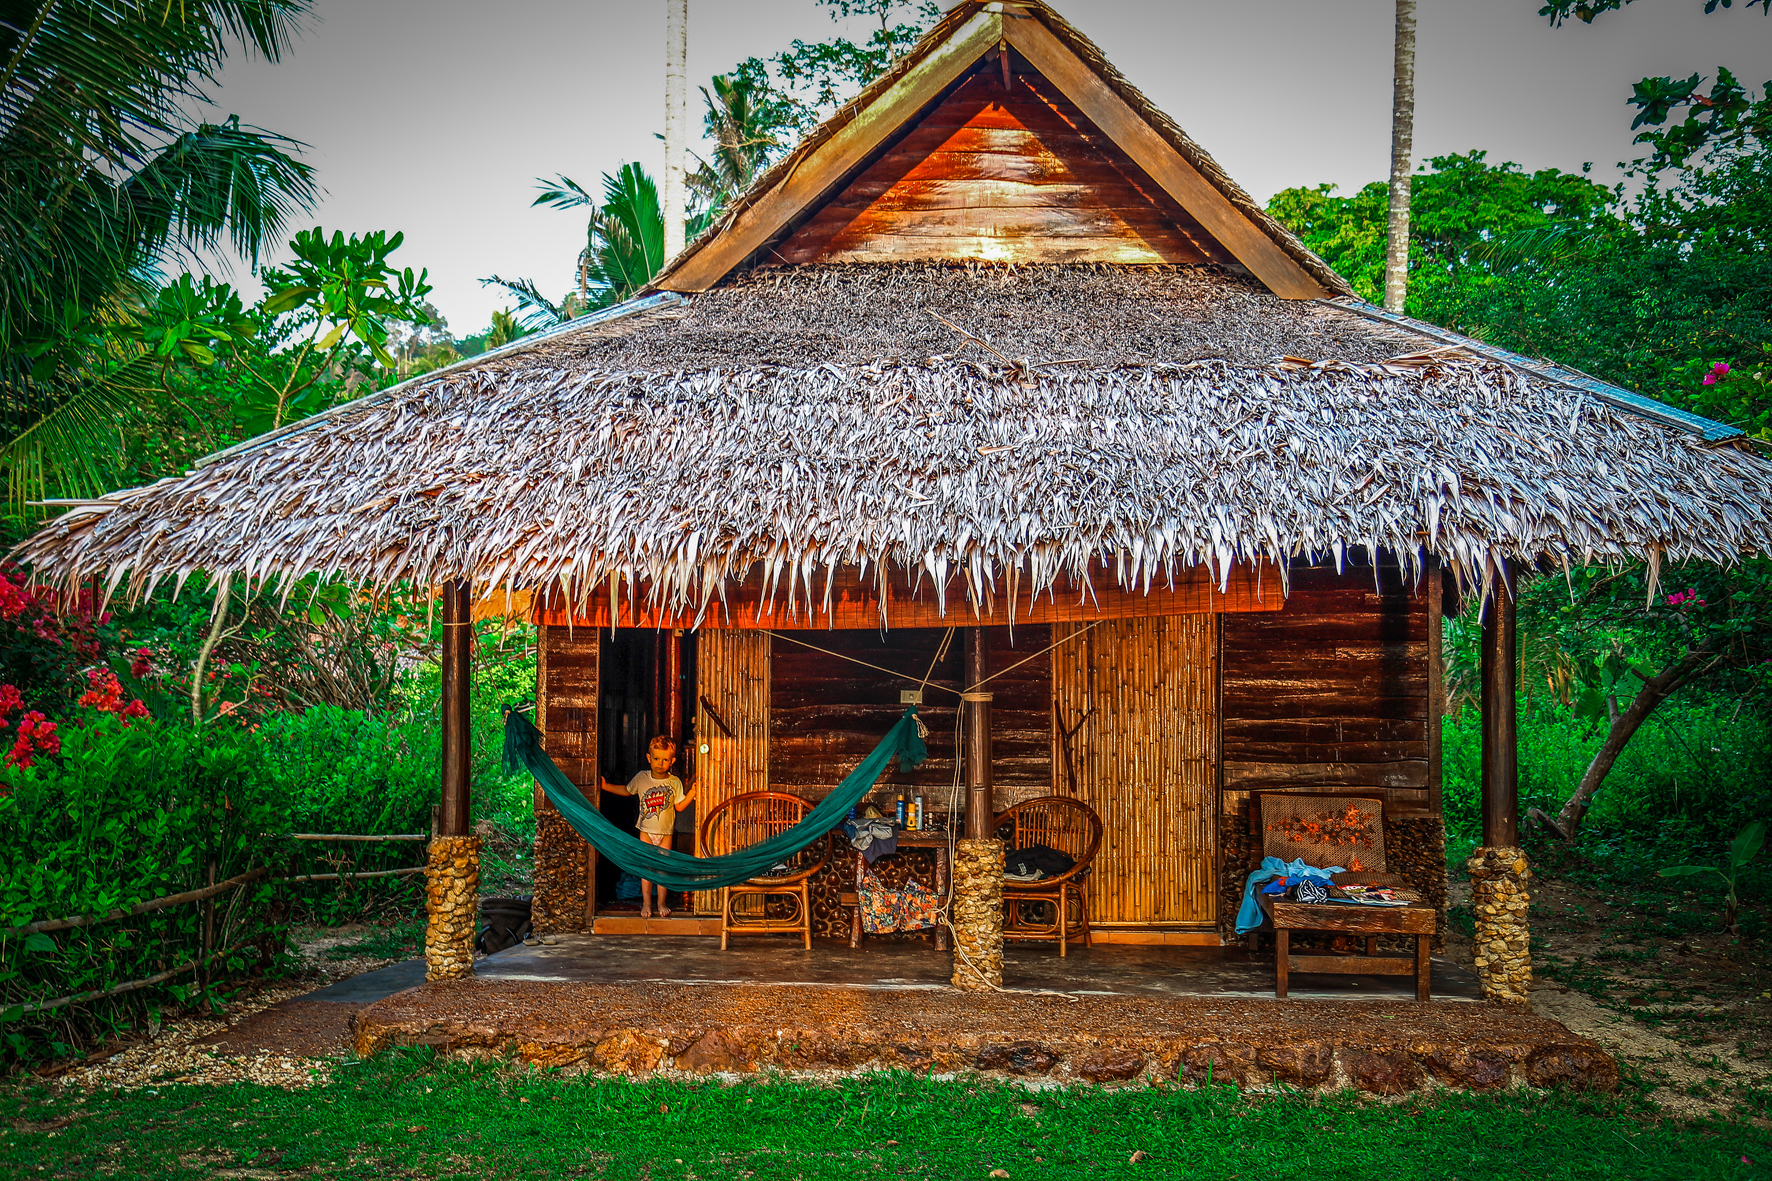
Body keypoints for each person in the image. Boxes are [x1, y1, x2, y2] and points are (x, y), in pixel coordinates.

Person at [600, 736, 695, 918]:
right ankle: (646, 904)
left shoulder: (674, 782)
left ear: (672, 761)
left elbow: (680, 806)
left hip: (666, 833)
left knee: (663, 870)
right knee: (647, 869)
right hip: (646, 832)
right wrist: (606, 787)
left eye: (665, 759)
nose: (660, 763)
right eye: (656, 758)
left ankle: (661, 903)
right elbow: (627, 791)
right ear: (649, 758)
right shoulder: (642, 778)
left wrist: (692, 792)